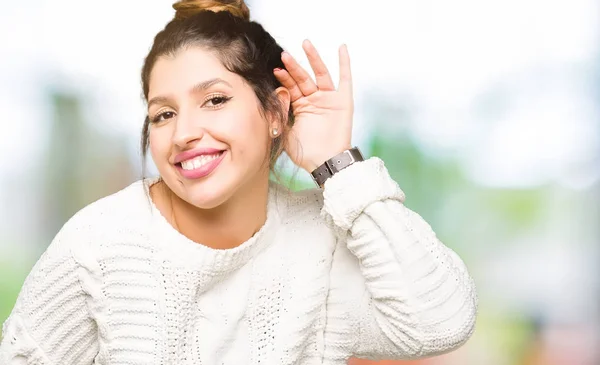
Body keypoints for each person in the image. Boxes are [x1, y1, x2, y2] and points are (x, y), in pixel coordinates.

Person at [0, 0, 477, 364]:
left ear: (275, 112)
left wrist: (337, 164)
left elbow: (441, 321)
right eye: (163, 114)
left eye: (214, 100)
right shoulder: (101, 243)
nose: (183, 133)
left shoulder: (320, 240)